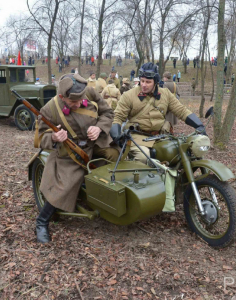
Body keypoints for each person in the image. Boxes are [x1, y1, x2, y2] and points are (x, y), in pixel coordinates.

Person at [34, 73, 119, 243]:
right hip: (71, 152)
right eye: (73, 103)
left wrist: (99, 128)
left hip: (96, 144)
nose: (79, 104)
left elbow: (108, 112)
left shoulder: (90, 92)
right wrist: (54, 138)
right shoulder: (49, 109)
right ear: (61, 97)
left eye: (80, 100)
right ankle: (42, 221)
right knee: (65, 184)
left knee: (116, 160)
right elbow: (39, 138)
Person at [110, 62, 205, 164]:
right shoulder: (129, 95)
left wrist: (199, 125)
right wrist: (117, 136)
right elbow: (118, 116)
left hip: (161, 137)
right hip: (137, 138)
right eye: (142, 81)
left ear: (155, 81)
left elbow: (181, 111)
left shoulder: (165, 94)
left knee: (180, 155)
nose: (144, 85)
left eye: (148, 82)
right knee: (144, 158)